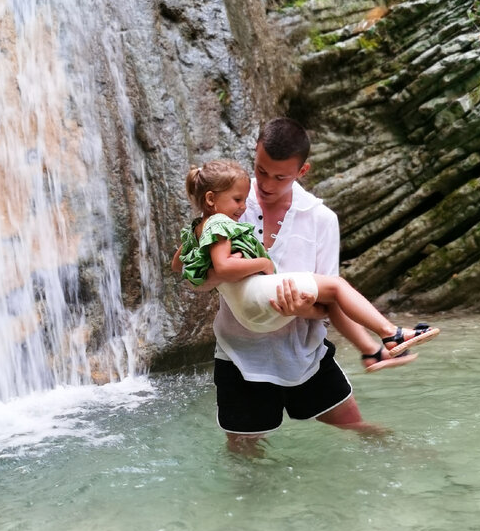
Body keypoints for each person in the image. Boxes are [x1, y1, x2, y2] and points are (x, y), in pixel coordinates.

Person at [172, 118, 438, 452]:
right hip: (240, 355)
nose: (265, 184)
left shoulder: (320, 219)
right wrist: (227, 273)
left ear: (303, 170)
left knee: (356, 427)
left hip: (304, 352)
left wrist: (300, 309)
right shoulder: (232, 197)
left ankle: (417, 459)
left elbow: (328, 306)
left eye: (279, 176)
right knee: (243, 452)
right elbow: (191, 273)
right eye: (261, 170)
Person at [173, 159, 437, 368]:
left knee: (330, 297)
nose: (244, 206)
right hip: (253, 294)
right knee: (335, 287)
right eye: (238, 200)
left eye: (244, 199)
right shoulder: (220, 223)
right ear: (210, 199)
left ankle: (374, 351)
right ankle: (390, 333)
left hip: (248, 305)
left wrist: (200, 266)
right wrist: (263, 263)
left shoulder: (198, 227)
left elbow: (178, 265)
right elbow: (223, 267)